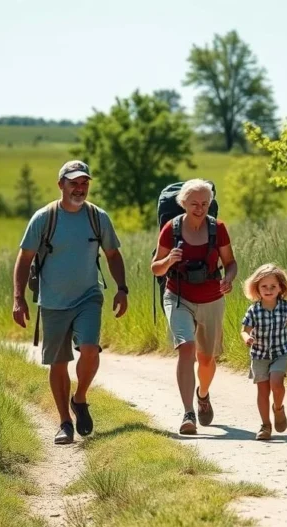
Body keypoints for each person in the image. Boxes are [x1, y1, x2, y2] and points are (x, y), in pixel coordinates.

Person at [12, 160, 128, 445]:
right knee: (59, 362)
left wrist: (122, 289)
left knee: (90, 349)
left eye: (84, 183)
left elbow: (112, 254)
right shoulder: (44, 218)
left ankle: (80, 398)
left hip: (88, 295)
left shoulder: (97, 217)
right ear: (61, 184)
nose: (80, 188)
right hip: (52, 301)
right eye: (74, 183)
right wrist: (19, 299)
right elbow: (24, 259)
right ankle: (64, 423)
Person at [150, 179, 237, 435]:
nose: (200, 208)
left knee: (207, 359)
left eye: (205, 203)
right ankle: (188, 413)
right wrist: (168, 260)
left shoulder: (218, 228)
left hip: (211, 297)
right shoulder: (171, 229)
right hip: (178, 296)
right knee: (186, 348)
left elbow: (230, 263)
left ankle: (203, 394)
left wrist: (228, 279)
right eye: (194, 203)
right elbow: (156, 268)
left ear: (210, 203)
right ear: (183, 203)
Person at [240, 264, 287, 441]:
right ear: (256, 288)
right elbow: (244, 329)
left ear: (281, 288)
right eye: (264, 286)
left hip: (280, 353)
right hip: (259, 356)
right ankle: (265, 425)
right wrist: (247, 337)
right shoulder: (254, 310)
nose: (269, 290)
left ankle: (278, 408)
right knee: (263, 391)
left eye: (273, 286)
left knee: (277, 384)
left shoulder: (285, 307)